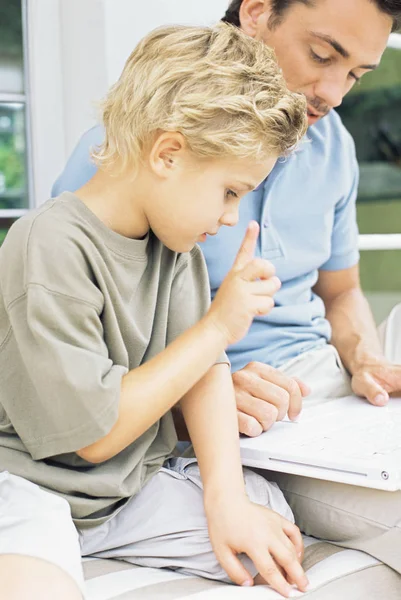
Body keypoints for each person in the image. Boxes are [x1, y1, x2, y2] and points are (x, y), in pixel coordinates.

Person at [52, 0, 401, 577]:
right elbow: (84, 369)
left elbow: (340, 293)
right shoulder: (131, 159)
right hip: (244, 419)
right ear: (258, 12)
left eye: (357, 75)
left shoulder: (333, 144)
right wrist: (201, 400)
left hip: (333, 397)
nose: (335, 92)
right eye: (322, 55)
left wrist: (363, 356)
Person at [0, 23, 310, 600]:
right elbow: (93, 438)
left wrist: (226, 500)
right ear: (167, 153)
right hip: (31, 484)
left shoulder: (174, 246)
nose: (228, 217)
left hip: (121, 487)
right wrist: (220, 323)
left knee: (267, 522)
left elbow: (205, 371)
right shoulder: (48, 244)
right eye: (229, 192)